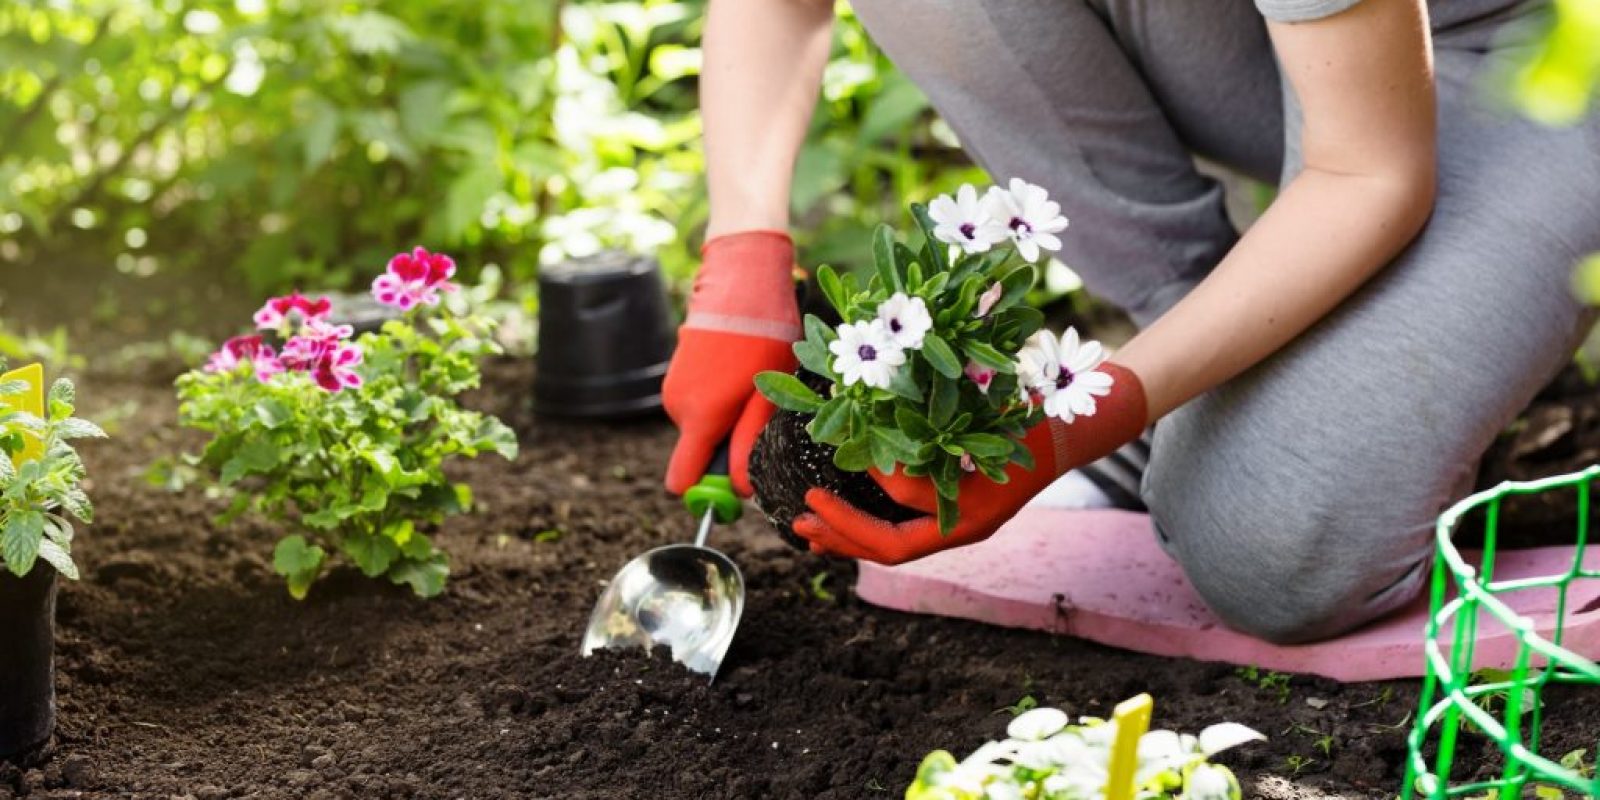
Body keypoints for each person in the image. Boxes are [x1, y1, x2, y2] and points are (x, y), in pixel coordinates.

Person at [662, 0, 1600, 644]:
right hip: (1282, 41)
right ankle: (1202, 376)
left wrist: (1075, 424)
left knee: (1267, 552)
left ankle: (1231, 415)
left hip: (1526, 55)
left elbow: (1370, 173)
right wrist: (741, 258)